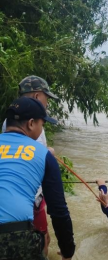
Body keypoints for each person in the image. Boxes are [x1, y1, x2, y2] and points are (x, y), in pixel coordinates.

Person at [0, 97, 75, 260]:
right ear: (31, 124)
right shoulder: (43, 154)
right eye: (42, 124)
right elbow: (58, 211)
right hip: (13, 235)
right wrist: (68, 252)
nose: (42, 129)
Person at [1, 75, 59, 255]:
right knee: (41, 240)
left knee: (44, 237)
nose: (47, 103)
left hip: (24, 196)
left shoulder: (12, 122)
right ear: (36, 96)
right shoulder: (29, 122)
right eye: (46, 97)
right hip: (31, 197)